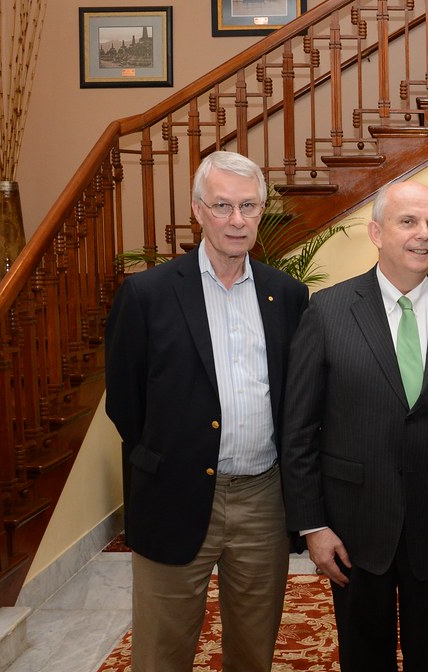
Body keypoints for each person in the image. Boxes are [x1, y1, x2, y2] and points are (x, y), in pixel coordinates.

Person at [280, 180, 428, 671]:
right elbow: (298, 431)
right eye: (408, 222)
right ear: (376, 233)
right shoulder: (328, 311)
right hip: (353, 527)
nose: (423, 233)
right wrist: (312, 524)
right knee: (364, 658)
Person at [105, 151, 309, 671]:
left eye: (248, 206)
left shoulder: (287, 295)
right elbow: (125, 403)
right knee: (162, 652)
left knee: (254, 651)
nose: (237, 220)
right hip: (173, 494)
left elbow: (297, 398)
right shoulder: (147, 294)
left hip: (263, 500)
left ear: (261, 211)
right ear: (198, 210)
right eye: (222, 206)